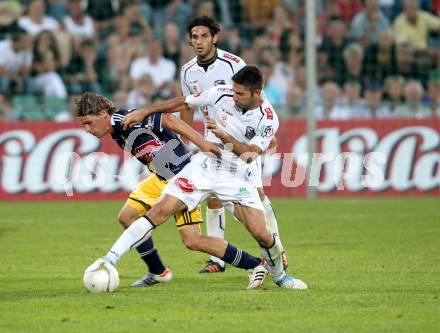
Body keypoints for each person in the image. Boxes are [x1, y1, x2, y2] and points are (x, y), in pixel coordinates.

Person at [119, 65, 308, 289]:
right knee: (160, 211)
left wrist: (225, 137)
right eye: (234, 91)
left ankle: (279, 275)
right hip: (206, 166)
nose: (234, 96)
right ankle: (111, 259)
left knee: (262, 234)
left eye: (240, 94)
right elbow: (182, 102)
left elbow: (250, 156)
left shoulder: (268, 119)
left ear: (256, 93)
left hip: (238, 174)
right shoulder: (221, 93)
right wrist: (146, 111)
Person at [77, 92, 272, 290]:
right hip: (160, 178)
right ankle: (158, 272)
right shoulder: (116, 130)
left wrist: (201, 142)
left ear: (103, 114)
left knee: (192, 240)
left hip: (182, 178)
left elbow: (167, 118)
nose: (87, 129)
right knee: (127, 216)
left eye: (88, 122)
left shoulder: (125, 121)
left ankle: (255, 264)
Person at [179, 15, 288, 273]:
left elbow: (253, 94)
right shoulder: (187, 71)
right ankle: (217, 260)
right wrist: (183, 140)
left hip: (242, 139)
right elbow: (188, 105)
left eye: (204, 36)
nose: (199, 41)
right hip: (211, 137)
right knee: (213, 199)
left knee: (256, 196)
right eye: (195, 37)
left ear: (215, 38)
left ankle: (278, 251)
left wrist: (267, 132)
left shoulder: (233, 64)